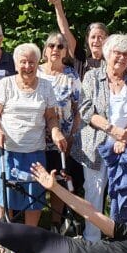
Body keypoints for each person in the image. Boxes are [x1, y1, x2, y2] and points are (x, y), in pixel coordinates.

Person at [70, 34, 127, 241]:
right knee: (94, 193)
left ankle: (125, 243)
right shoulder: (92, 77)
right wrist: (113, 131)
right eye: (117, 53)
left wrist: (124, 137)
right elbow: (86, 110)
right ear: (107, 54)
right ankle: (92, 240)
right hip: (97, 146)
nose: (122, 58)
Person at [0, 43, 66, 227]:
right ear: (15, 64)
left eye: (32, 62)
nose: (28, 66)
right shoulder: (6, 84)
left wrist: (56, 132)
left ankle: (30, 237)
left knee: (34, 199)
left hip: (34, 151)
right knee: (3, 196)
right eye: (23, 62)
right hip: (6, 151)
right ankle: (7, 238)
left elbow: (51, 117)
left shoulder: (46, 86)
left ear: (38, 64)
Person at [38, 32, 83, 230]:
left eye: (59, 46)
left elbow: (79, 109)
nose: (55, 49)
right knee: (37, 179)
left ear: (65, 51)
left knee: (60, 179)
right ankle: (35, 220)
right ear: (45, 49)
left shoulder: (71, 75)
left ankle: (56, 221)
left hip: (62, 140)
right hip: (36, 138)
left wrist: (72, 136)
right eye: (51, 46)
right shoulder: (34, 71)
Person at [48, 0, 108, 78]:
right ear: (87, 39)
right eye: (93, 37)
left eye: (100, 37)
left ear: (107, 40)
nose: (96, 40)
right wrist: (58, 5)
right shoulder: (81, 58)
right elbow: (65, 31)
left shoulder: (113, 62)